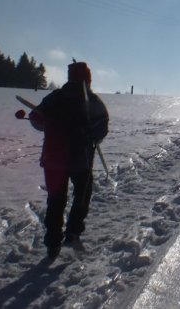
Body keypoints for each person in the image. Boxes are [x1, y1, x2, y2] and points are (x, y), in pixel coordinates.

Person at [29, 61, 109, 258]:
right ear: (87, 79)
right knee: (82, 194)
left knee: (56, 198)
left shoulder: (55, 98)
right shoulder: (91, 101)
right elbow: (102, 128)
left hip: (53, 158)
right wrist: (91, 134)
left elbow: (35, 119)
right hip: (79, 158)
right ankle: (73, 232)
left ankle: (53, 242)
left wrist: (47, 122)